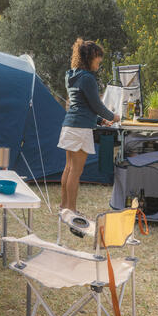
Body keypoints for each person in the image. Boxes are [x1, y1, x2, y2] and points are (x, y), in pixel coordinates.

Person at [58, 39, 120, 214]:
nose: (99, 62)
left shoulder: (71, 75)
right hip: (80, 129)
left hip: (69, 125)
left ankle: (63, 206)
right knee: (76, 172)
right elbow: (96, 105)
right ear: (89, 58)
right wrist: (112, 117)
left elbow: (81, 105)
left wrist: (100, 121)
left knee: (68, 168)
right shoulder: (88, 78)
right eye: (97, 58)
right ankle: (71, 210)